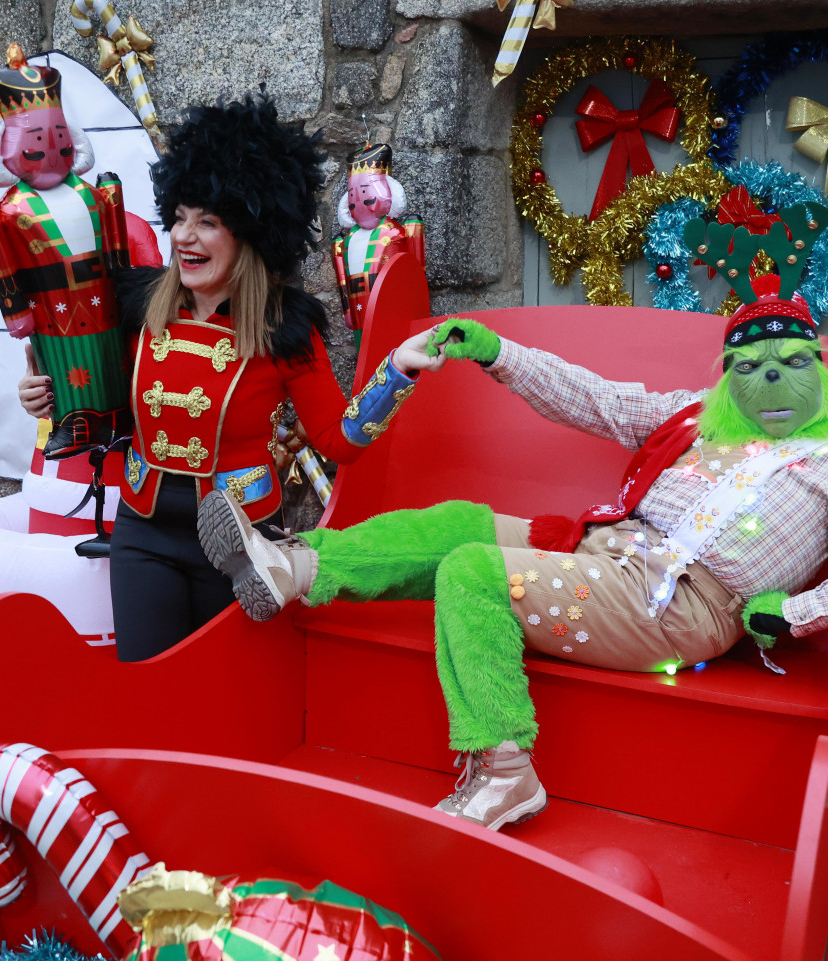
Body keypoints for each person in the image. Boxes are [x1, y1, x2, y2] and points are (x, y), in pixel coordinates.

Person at [199, 203, 828, 832]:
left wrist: (793, 615)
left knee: (474, 574)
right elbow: (595, 400)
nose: (770, 379)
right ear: (727, 378)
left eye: (793, 363)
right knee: (459, 525)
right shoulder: (696, 416)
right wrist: (498, 353)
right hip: (608, 551)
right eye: (748, 366)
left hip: (683, 606)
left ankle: (504, 771)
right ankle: (296, 566)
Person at [21, 89, 437, 662]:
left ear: (250, 234)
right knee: (148, 690)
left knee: (222, 700)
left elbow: (339, 441)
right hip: (142, 534)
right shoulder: (137, 304)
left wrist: (397, 373)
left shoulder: (285, 327)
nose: (184, 237)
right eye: (180, 218)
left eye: (207, 222)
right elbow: (99, 396)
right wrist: (46, 396)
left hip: (240, 545)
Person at [0, 43, 132, 460]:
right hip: (51, 308)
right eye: (35, 139)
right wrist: (14, 310)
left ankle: (119, 416)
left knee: (111, 359)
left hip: (107, 301)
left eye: (59, 137)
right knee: (66, 367)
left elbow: (119, 248)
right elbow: (1, 264)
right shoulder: (7, 210)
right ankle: (76, 420)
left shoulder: (96, 194)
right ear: (5, 148)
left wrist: (126, 284)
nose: (50, 148)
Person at [331, 143, 424, 351]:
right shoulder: (347, 241)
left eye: (364, 191)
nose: (358, 199)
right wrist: (347, 310)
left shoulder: (395, 232)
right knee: (365, 355)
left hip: (393, 311)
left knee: (395, 354)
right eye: (353, 194)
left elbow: (414, 273)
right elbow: (343, 279)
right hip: (359, 310)